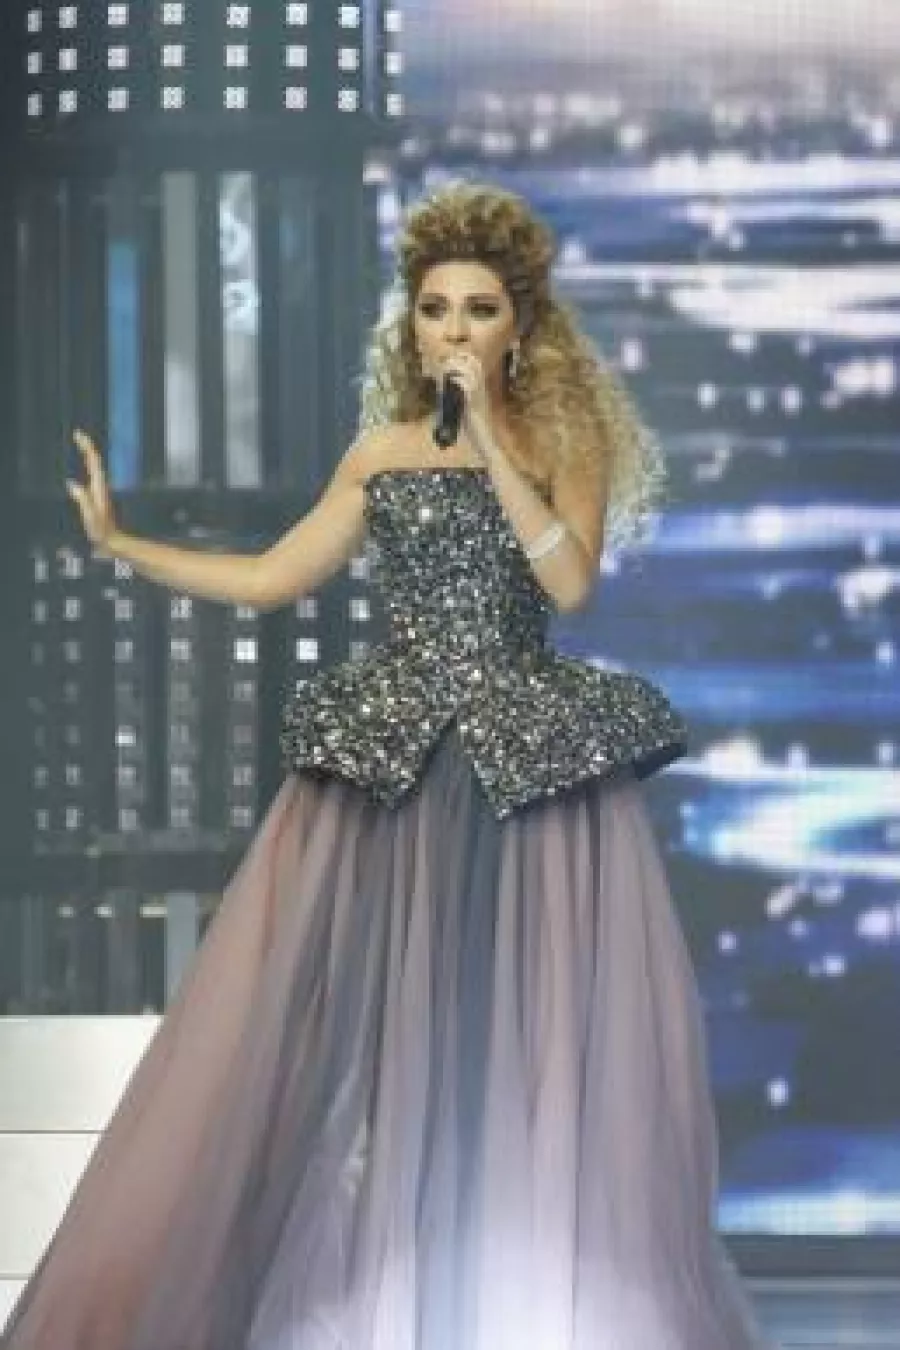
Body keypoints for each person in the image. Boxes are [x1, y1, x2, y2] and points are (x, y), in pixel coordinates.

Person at [3, 183, 771, 1349]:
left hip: (526, 776)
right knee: (372, 1046)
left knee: (508, 1046)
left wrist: (495, 446)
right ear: (408, 326)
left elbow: (570, 586)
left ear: (519, 327)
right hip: (395, 771)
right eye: (434, 309)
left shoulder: (561, 443)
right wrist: (120, 546)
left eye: (479, 309)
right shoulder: (379, 455)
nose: (453, 329)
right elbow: (269, 579)